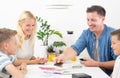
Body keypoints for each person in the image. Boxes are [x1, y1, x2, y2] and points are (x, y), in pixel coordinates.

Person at [54, 5, 116, 75]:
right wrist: (63, 56)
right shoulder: (86, 33)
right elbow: (75, 48)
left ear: (102, 19)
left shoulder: (114, 35)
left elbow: (118, 63)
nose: (89, 23)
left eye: (93, 20)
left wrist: (96, 64)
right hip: (96, 73)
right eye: (88, 19)